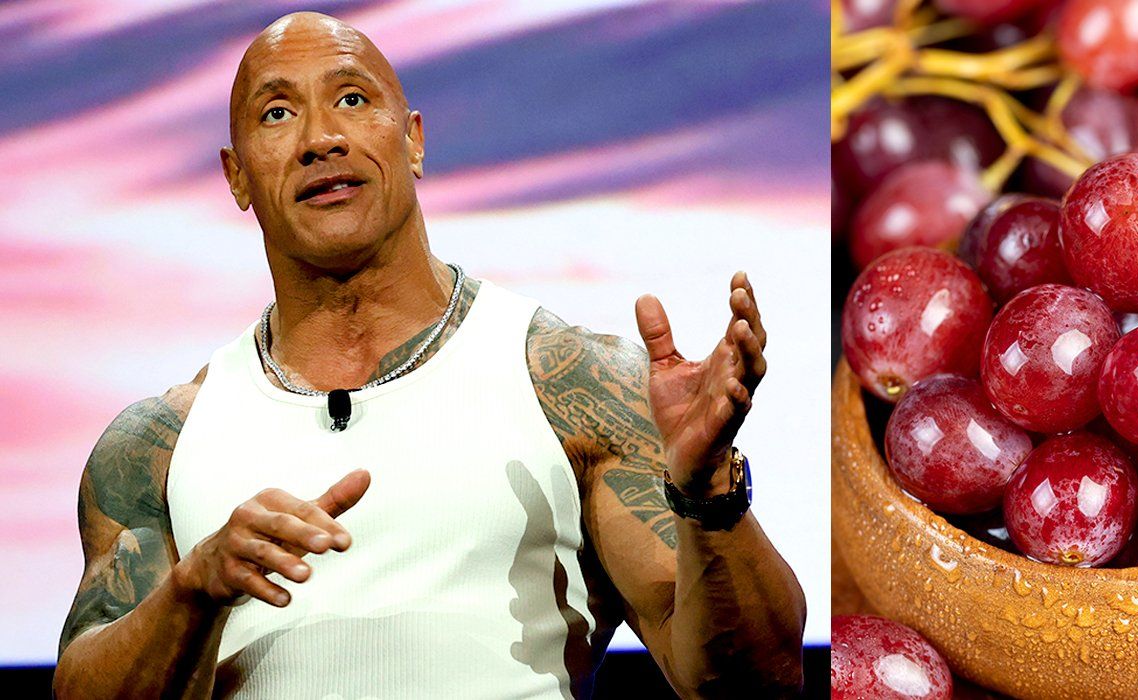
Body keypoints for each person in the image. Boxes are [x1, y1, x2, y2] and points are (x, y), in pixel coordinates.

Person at [52, 12, 806, 698]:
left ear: (411, 138)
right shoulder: (158, 445)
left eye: (351, 99)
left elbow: (752, 686)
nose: (321, 138)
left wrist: (707, 493)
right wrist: (192, 591)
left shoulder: (575, 385)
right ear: (237, 175)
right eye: (277, 113)